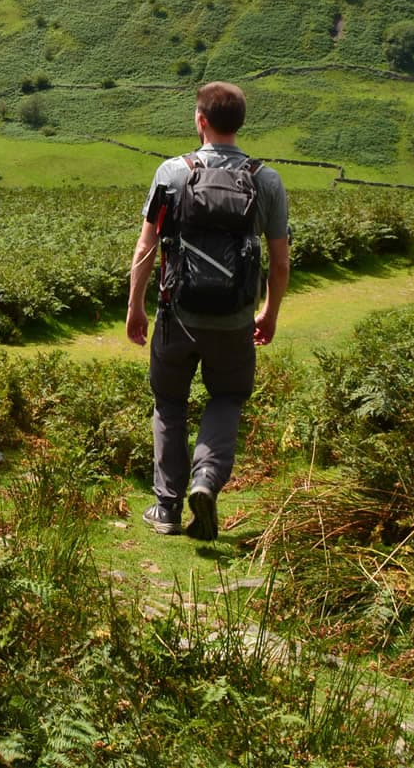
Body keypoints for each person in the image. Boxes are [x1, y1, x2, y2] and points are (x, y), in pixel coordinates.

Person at [125, 82, 289, 541]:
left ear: (200, 120)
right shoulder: (266, 180)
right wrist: (270, 312)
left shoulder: (171, 173)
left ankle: (167, 507)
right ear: (240, 123)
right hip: (235, 320)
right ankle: (207, 480)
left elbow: (145, 247)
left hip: (177, 315)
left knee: (169, 403)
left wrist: (135, 306)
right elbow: (280, 262)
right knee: (227, 397)